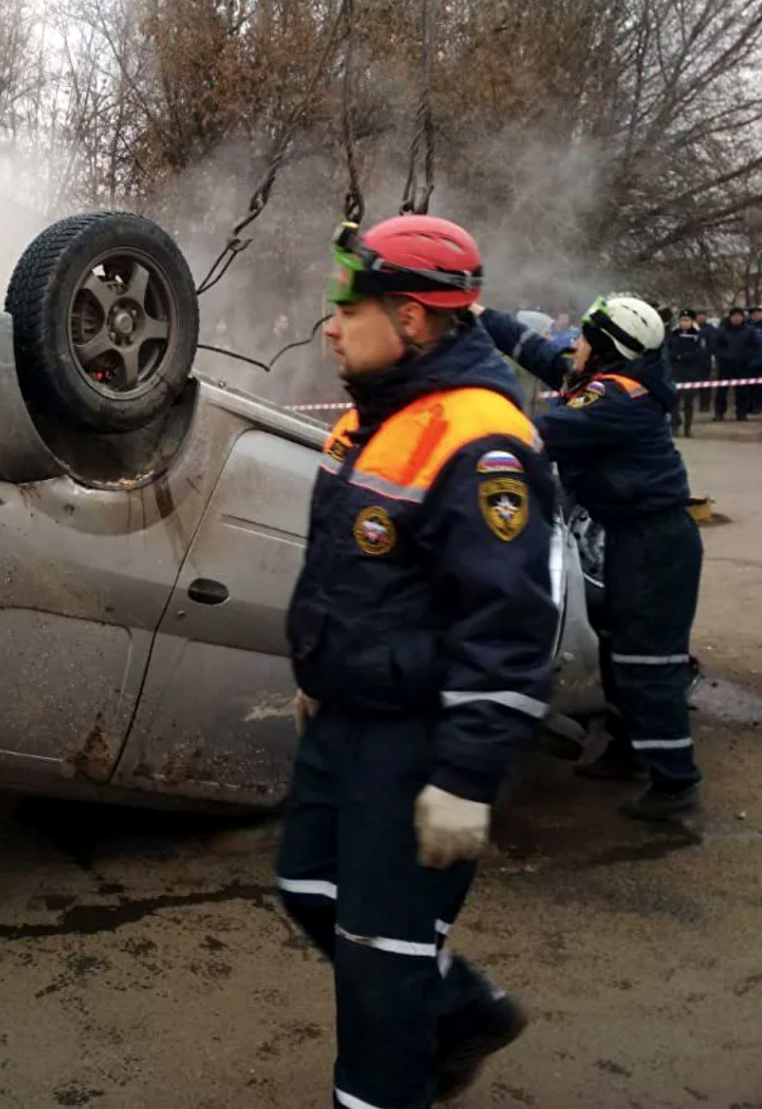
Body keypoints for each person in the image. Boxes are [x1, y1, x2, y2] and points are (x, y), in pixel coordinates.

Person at [279, 215, 556, 1109]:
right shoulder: (374, 421)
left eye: (343, 305)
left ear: (409, 316)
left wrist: (467, 777)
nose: (329, 323)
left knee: (379, 965)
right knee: (305, 884)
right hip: (344, 724)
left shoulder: (481, 440)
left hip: (415, 745)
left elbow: (509, 624)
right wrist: (317, 679)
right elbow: (358, 581)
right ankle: (462, 1010)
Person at [480, 294, 703, 818]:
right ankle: (628, 750)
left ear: (606, 349)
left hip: (655, 544)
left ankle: (675, 781)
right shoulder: (608, 380)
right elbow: (543, 357)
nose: (573, 345)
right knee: (618, 647)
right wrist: (477, 315)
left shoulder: (616, 398)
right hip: (632, 537)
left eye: (585, 338)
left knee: (648, 660)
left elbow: (539, 435)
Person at [667, 311, 710, 437]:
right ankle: (675, 426)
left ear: (692, 321)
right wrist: (675, 357)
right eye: (682, 320)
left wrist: (683, 357)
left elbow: (700, 352)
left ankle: (688, 428)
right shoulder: (673, 334)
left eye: (687, 320)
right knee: (674, 401)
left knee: (689, 402)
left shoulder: (697, 335)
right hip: (676, 372)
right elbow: (667, 350)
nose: (684, 323)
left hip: (691, 372)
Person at [711, 307, 756, 421]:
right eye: (734, 316)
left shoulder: (749, 331)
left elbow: (753, 346)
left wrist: (748, 358)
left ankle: (741, 413)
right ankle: (719, 413)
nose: (737, 318)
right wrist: (723, 356)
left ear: (742, 317)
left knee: (742, 390)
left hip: (742, 365)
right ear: (730, 317)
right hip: (725, 365)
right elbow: (715, 347)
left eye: (739, 316)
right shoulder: (722, 331)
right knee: (722, 390)